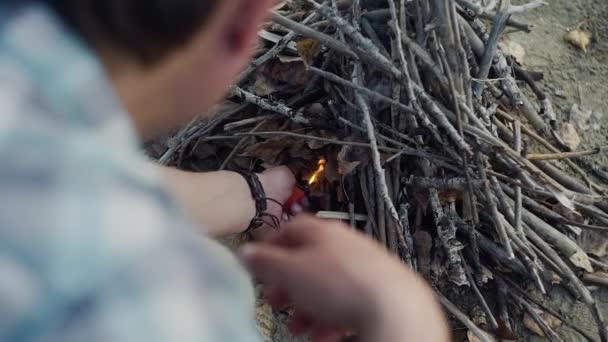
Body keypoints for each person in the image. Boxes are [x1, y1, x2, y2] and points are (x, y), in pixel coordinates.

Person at [0, 0, 449, 341]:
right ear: (242, 24)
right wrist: (401, 309)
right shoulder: (145, 298)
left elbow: (65, 180)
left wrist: (253, 194)